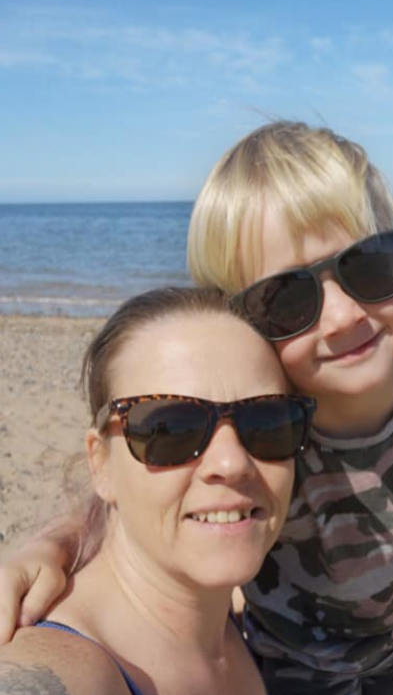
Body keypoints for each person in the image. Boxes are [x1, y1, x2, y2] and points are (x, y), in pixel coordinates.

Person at [0, 122, 393, 695]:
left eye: (370, 265)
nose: (344, 316)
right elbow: (149, 489)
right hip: (289, 661)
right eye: (288, 299)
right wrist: (53, 546)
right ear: (243, 325)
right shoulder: (258, 422)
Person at [0, 287, 316, 695]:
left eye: (267, 422)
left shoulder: (248, 611)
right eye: (171, 430)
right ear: (101, 463)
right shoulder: (75, 667)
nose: (231, 463)